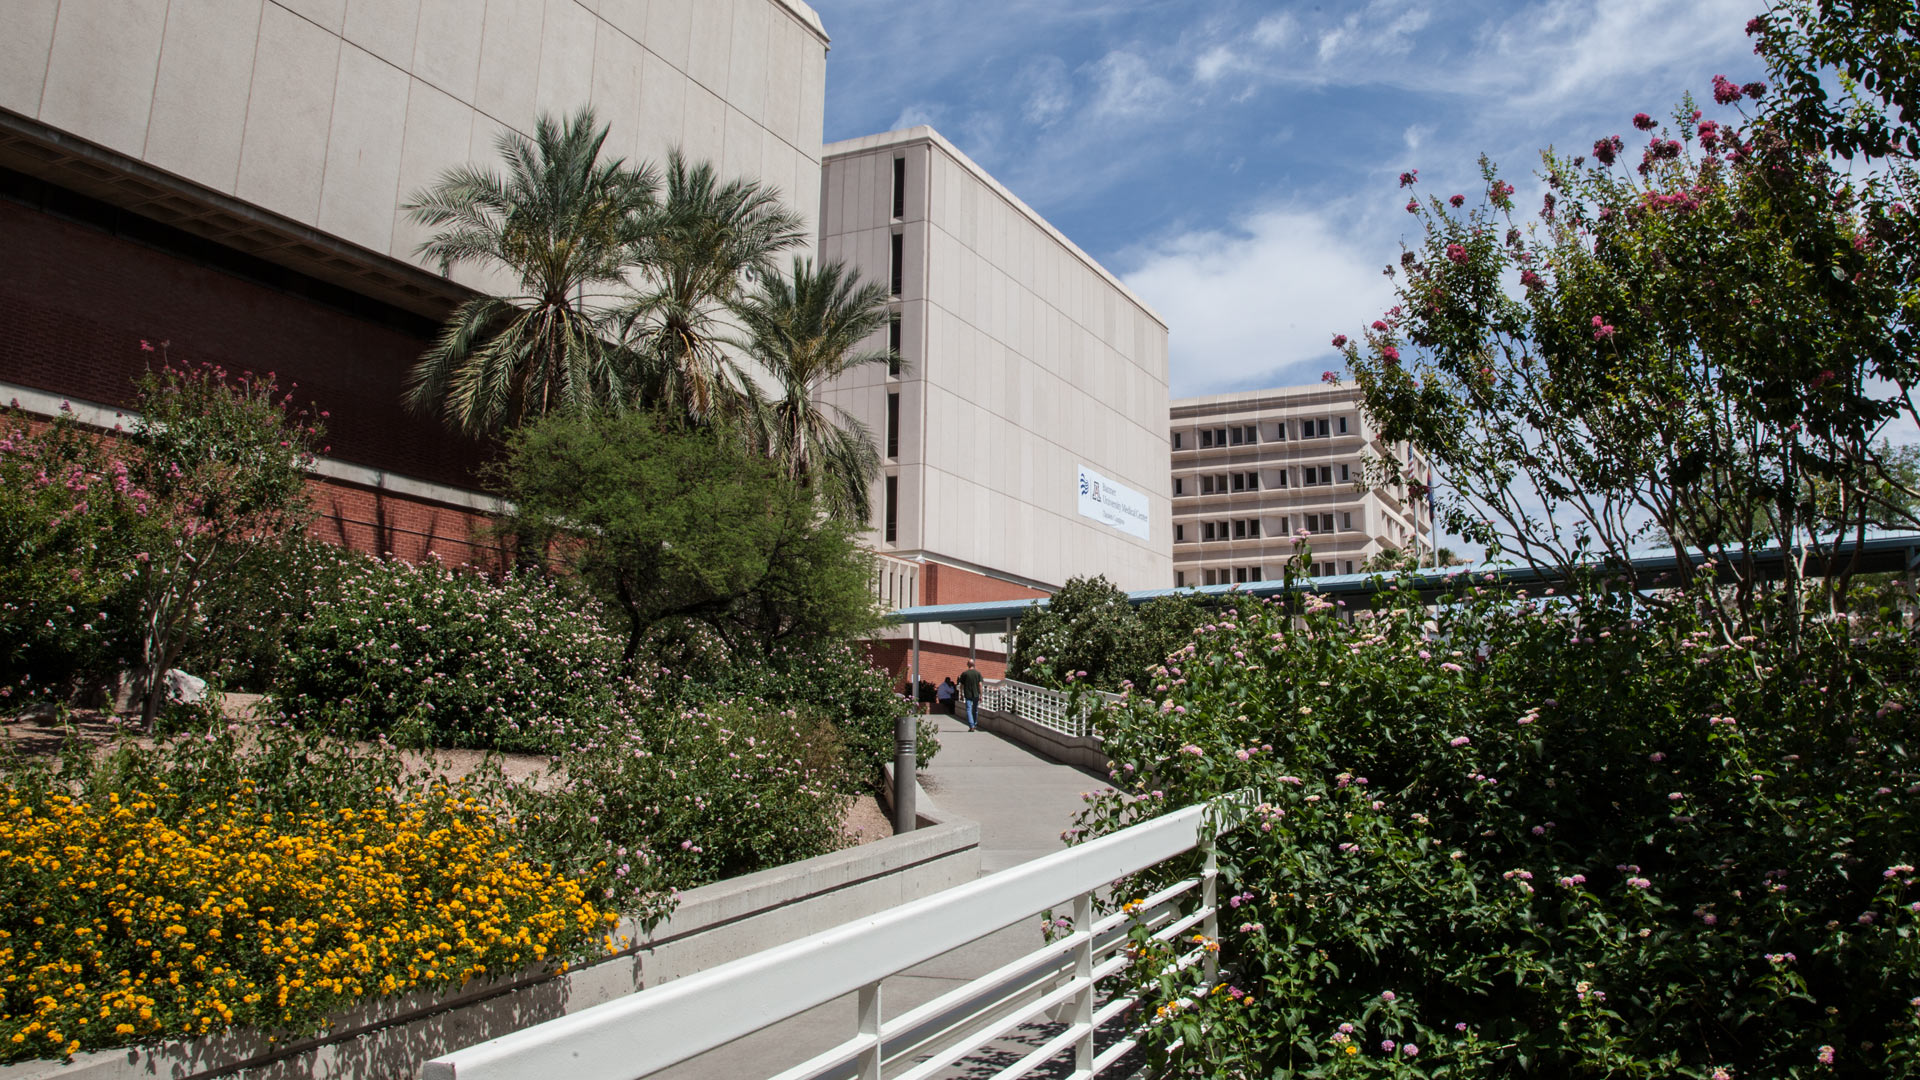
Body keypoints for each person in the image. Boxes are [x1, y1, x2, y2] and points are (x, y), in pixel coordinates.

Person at [957, 660, 984, 731]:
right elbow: (980, 685)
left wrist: (961, 694)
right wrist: (981, 695)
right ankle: (974, 724)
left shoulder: (964, 674)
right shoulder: (978, 673)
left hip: (967, 694)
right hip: (976, 694)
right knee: (975, 710)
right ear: (974, 664)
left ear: (968, 665)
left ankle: (971, 726)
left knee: (969, 710)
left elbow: (961, 685)